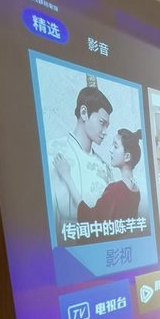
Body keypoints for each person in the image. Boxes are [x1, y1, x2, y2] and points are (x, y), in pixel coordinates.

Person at [48, 86, 113, 231]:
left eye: (107, 126)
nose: (105, 132)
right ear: (84, 113)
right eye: (102, 123)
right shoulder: (53, 151)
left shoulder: (104, 167)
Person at [54, 128, 142, 222]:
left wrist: (67, 176)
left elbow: (89, 218)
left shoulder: (115, 189)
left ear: (127, 157)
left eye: (115, 146)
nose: (111, 150)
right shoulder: (136, 191)